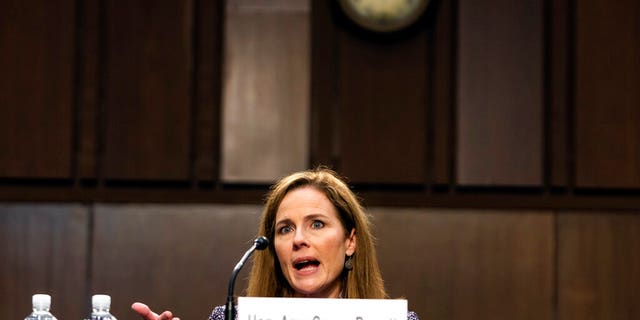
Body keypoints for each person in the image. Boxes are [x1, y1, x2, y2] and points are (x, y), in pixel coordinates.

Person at [132, 167, 419, 320]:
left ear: (350, 242)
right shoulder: (230, 319)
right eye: (285, 229)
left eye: (316, 224)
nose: (298, 240)